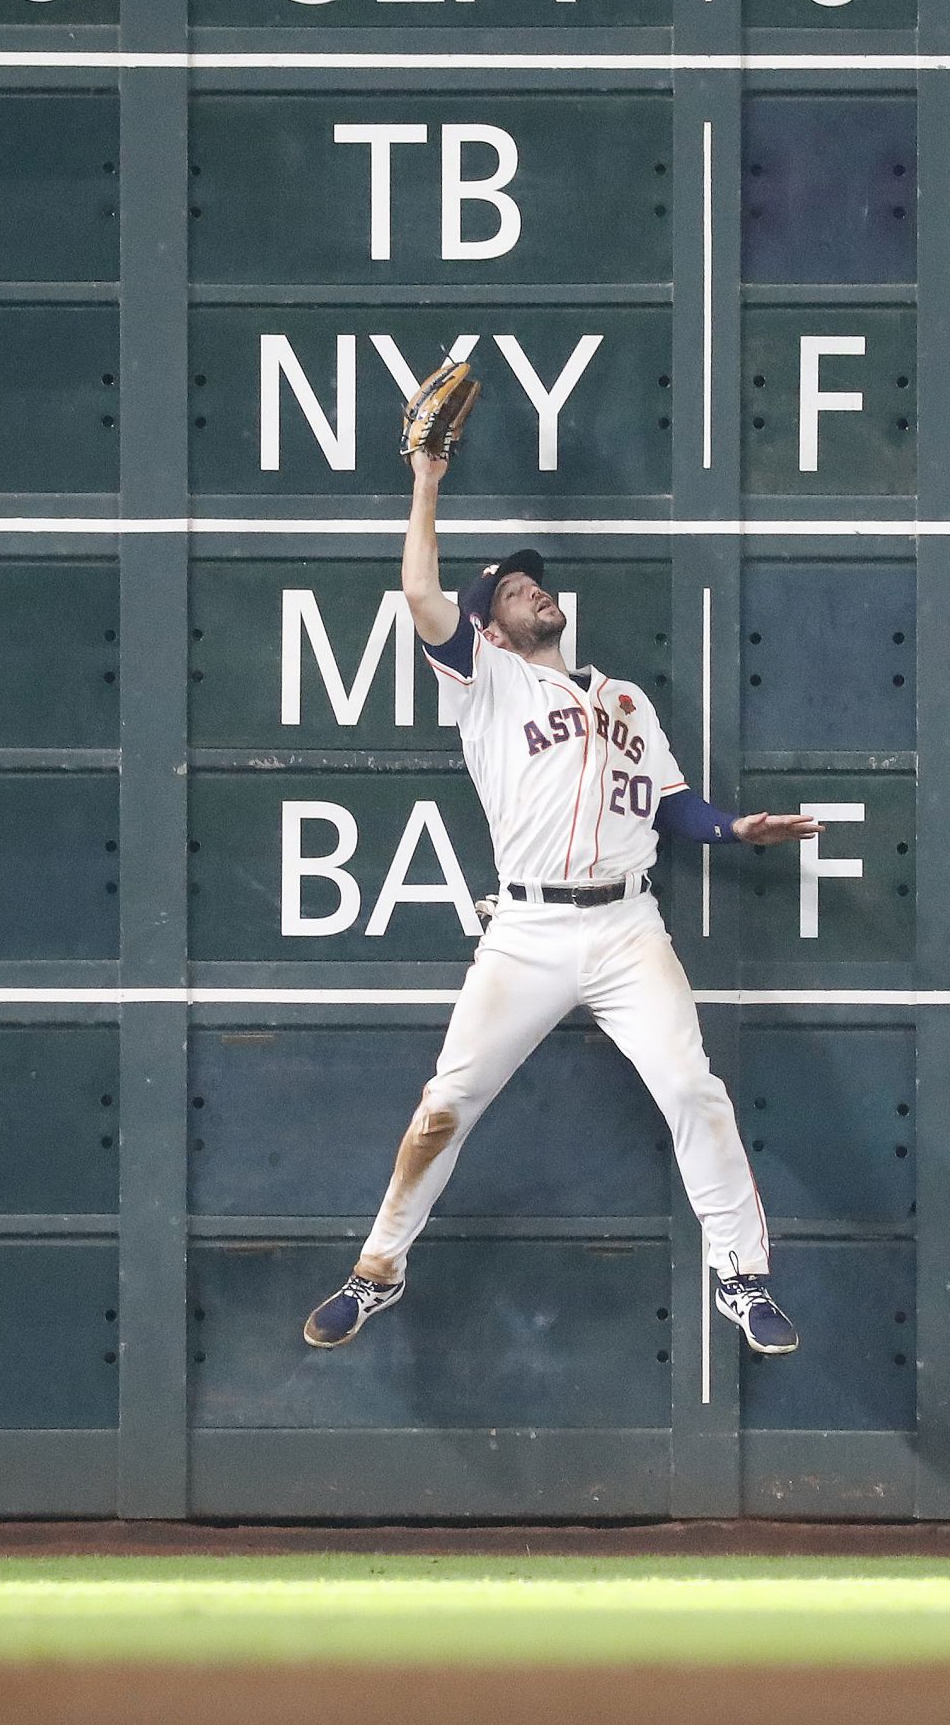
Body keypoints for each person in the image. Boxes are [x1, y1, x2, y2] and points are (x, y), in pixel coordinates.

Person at [304, 446, 818, 1359]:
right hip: (529, 928)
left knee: (694, 1090)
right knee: (446, 1103)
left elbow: (669, 805)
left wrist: (736, 830)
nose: (534, 592)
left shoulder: (624, 697)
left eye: (534, 586)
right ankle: (376, 1269)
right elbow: (423, 595)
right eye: (512, 590)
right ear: (490, 632)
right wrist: (426, 478)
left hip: (628, 925)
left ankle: (743, 1277)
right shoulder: (488, 682)